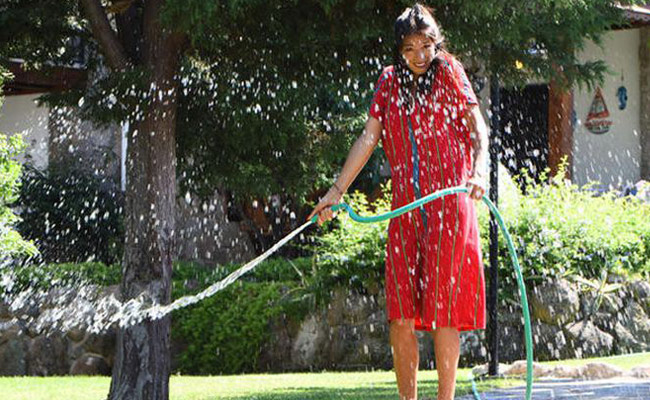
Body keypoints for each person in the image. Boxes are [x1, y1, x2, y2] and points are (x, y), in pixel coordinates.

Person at [307, 3, 489, 400]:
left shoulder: (451, 73)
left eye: (426, 45)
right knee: (400, 314)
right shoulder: (388, 83)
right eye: (409, 48)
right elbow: (368, 139)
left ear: (437, 43)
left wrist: (479, 171)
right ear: (398, 50)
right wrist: (335, 192)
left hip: (449, 207)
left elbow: (479, 131)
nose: (419, 56)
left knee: (444, 313)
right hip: (406, 210)